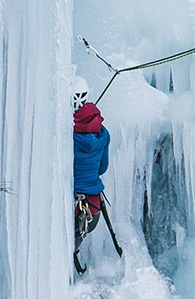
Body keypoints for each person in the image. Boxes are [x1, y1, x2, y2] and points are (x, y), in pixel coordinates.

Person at [72, 79, 110, 258]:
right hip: (92, 209)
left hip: (72, 207)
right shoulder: (102, 133)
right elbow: (102, 168)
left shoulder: (66, 134)